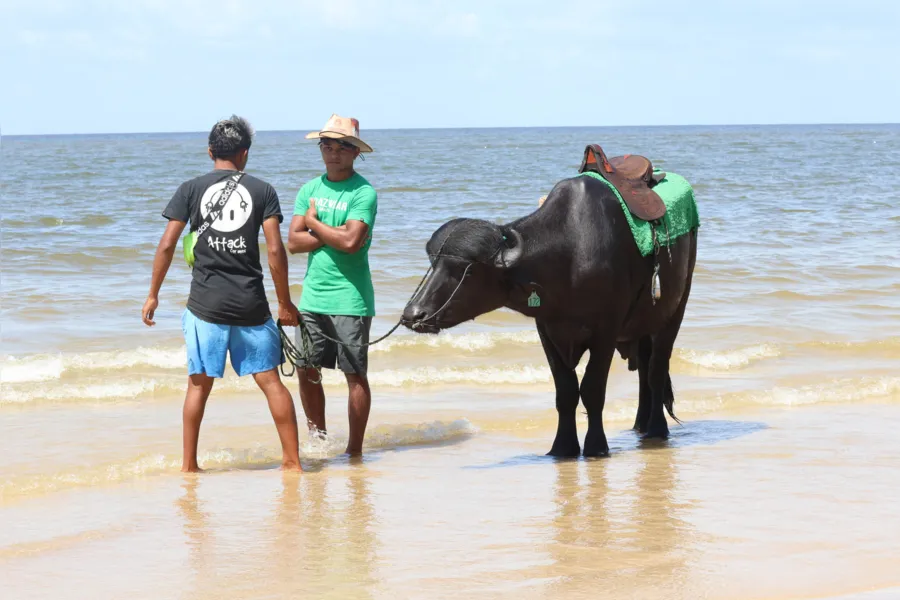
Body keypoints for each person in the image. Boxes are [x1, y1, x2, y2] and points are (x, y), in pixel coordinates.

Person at [142, 115, 303, 473]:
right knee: (271, 382)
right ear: (244, 153)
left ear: (210, 151)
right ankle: (292, 463)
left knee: (198, 386)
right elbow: (275, 250)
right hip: (251, 304)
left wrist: (153, 294)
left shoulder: (190, 189)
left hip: (205, 305)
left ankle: (189, 467)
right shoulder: (263, 191)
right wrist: (284, 302)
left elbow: (168, 244)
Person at [287, 114, 378, 456]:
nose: (333, 152)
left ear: (356, 152)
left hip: (351, 299)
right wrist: (330, 234)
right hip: (312, 297)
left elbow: (352, 242)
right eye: (327, 145)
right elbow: (293, 243)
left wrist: (313, 223)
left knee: (354, 376)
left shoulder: (364, 192)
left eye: (342, 146)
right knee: (306, 370)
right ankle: (319, 441)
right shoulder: (309, 189)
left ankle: (354, 451)